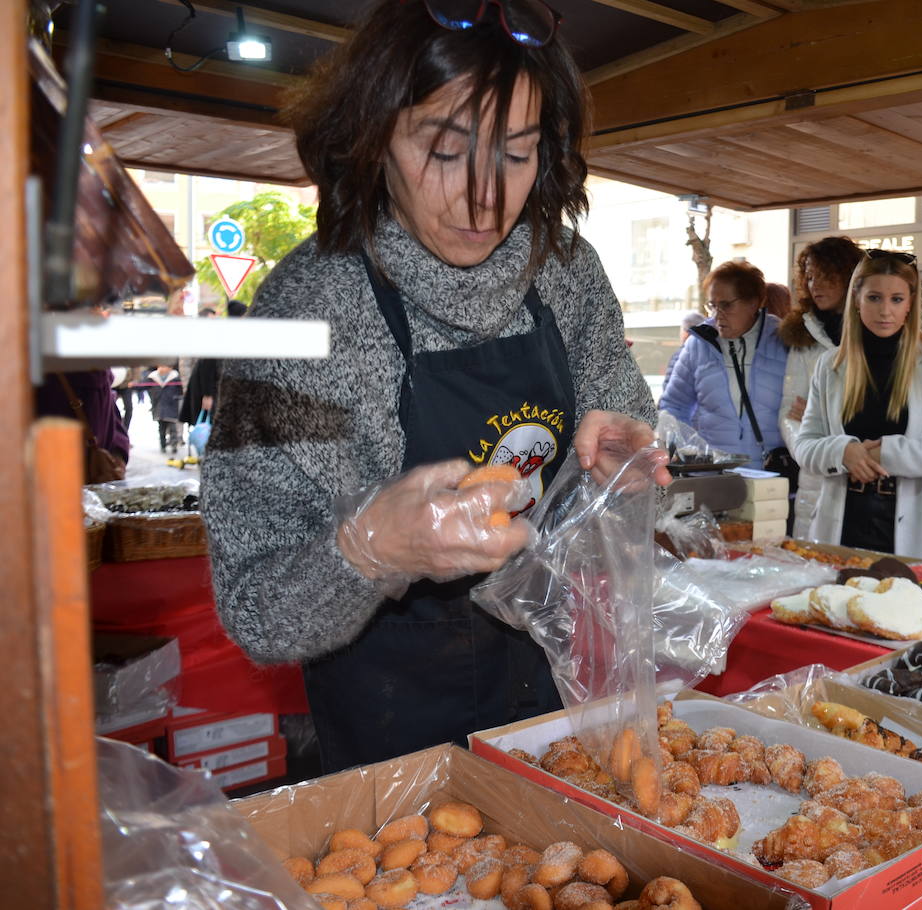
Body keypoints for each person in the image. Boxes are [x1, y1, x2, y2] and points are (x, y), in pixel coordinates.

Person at [201, 0, 665, 774]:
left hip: (550, 711)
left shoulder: (567, 274)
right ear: (374, 133)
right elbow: (256, 610)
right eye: (445, 152)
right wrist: (369, 550)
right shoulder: (303, 314)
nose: (484, 200)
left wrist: (615, 468)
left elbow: (618, 445)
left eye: (516, 155)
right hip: (387, 739)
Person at [793, 250, 922, 570]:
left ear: (910, 303)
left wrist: (888, 454)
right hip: (844, 521)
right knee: (840, 614)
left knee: (917, 616)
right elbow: (805, 445)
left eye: (896, 299)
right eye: (875, 297)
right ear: (856, 298)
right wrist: (843, 451)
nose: (885, 311)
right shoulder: (830, 363)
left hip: (920, 527)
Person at [658, 260, 788, 469]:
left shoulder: (784, 340)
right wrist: (686, 451)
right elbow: (674, 406)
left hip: (773, 476)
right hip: (714, 474)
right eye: (712, 305)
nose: (717, 314)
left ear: (754, 303)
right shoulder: (698, 345)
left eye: (726, 305)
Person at [778, 236, 865, 536]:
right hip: (815, 476)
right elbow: (790, 414)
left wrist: (821, 418)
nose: (817, 285)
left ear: (851, 277)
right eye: (811, 277)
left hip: (867, 471)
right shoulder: (803, 336)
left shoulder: (876, 333)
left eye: (827, 277)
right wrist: (819, 448)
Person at [179, 299, 248, 427]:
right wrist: (208, 394)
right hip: (210, 386)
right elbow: (208, 364)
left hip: (220, 386)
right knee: (212, 424)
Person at [660, 310, 705, 390]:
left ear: (687, 332)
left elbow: (669, 389)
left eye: (681, 330)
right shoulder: (712, 354)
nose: (680, 334)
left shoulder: (682, 355)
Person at [144, 364, 184, 453]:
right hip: (159, 407)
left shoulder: (175, 378)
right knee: (161, 429)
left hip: (171, 407)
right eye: (160, 366)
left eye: (164, 366)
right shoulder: (153, 378)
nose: (162, 368)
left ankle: (174, 444)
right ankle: (163, 445)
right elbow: (143, 385)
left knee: (173, 428)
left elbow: (181, 390)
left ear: (170, 368)